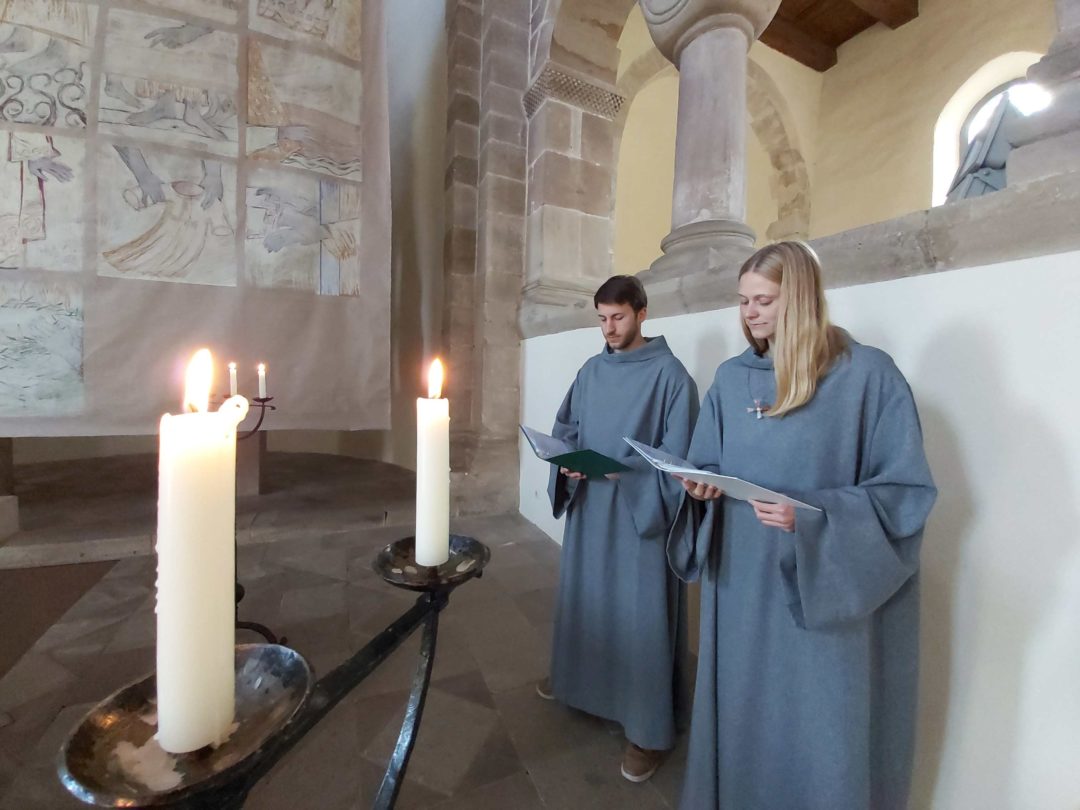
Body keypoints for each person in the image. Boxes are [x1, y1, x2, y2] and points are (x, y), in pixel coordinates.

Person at [669, 241, 937, 810]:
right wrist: (700, 486)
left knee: (818, 732)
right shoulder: (731, 379)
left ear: (802, 298)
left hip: (819, 595)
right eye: (743, 301)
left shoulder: (867, 376)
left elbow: (905, 495)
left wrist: (813, 516)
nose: (750, 314)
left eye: (763, 300)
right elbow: (707, 459)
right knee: (746, 714)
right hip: (741, 586)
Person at [543, 274, 698, 783]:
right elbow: (568, 429)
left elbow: (682, 467)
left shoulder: (673, 378)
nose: (609, 328)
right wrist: (565, 462)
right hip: (591, 512)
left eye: (619, 317)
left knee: (641, 615)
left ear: (643, 313)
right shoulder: (591, 371)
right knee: (589, 600)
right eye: (602, 319)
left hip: (640, 518)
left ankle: (647, 733)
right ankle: (580, 684)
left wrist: (623, 474)